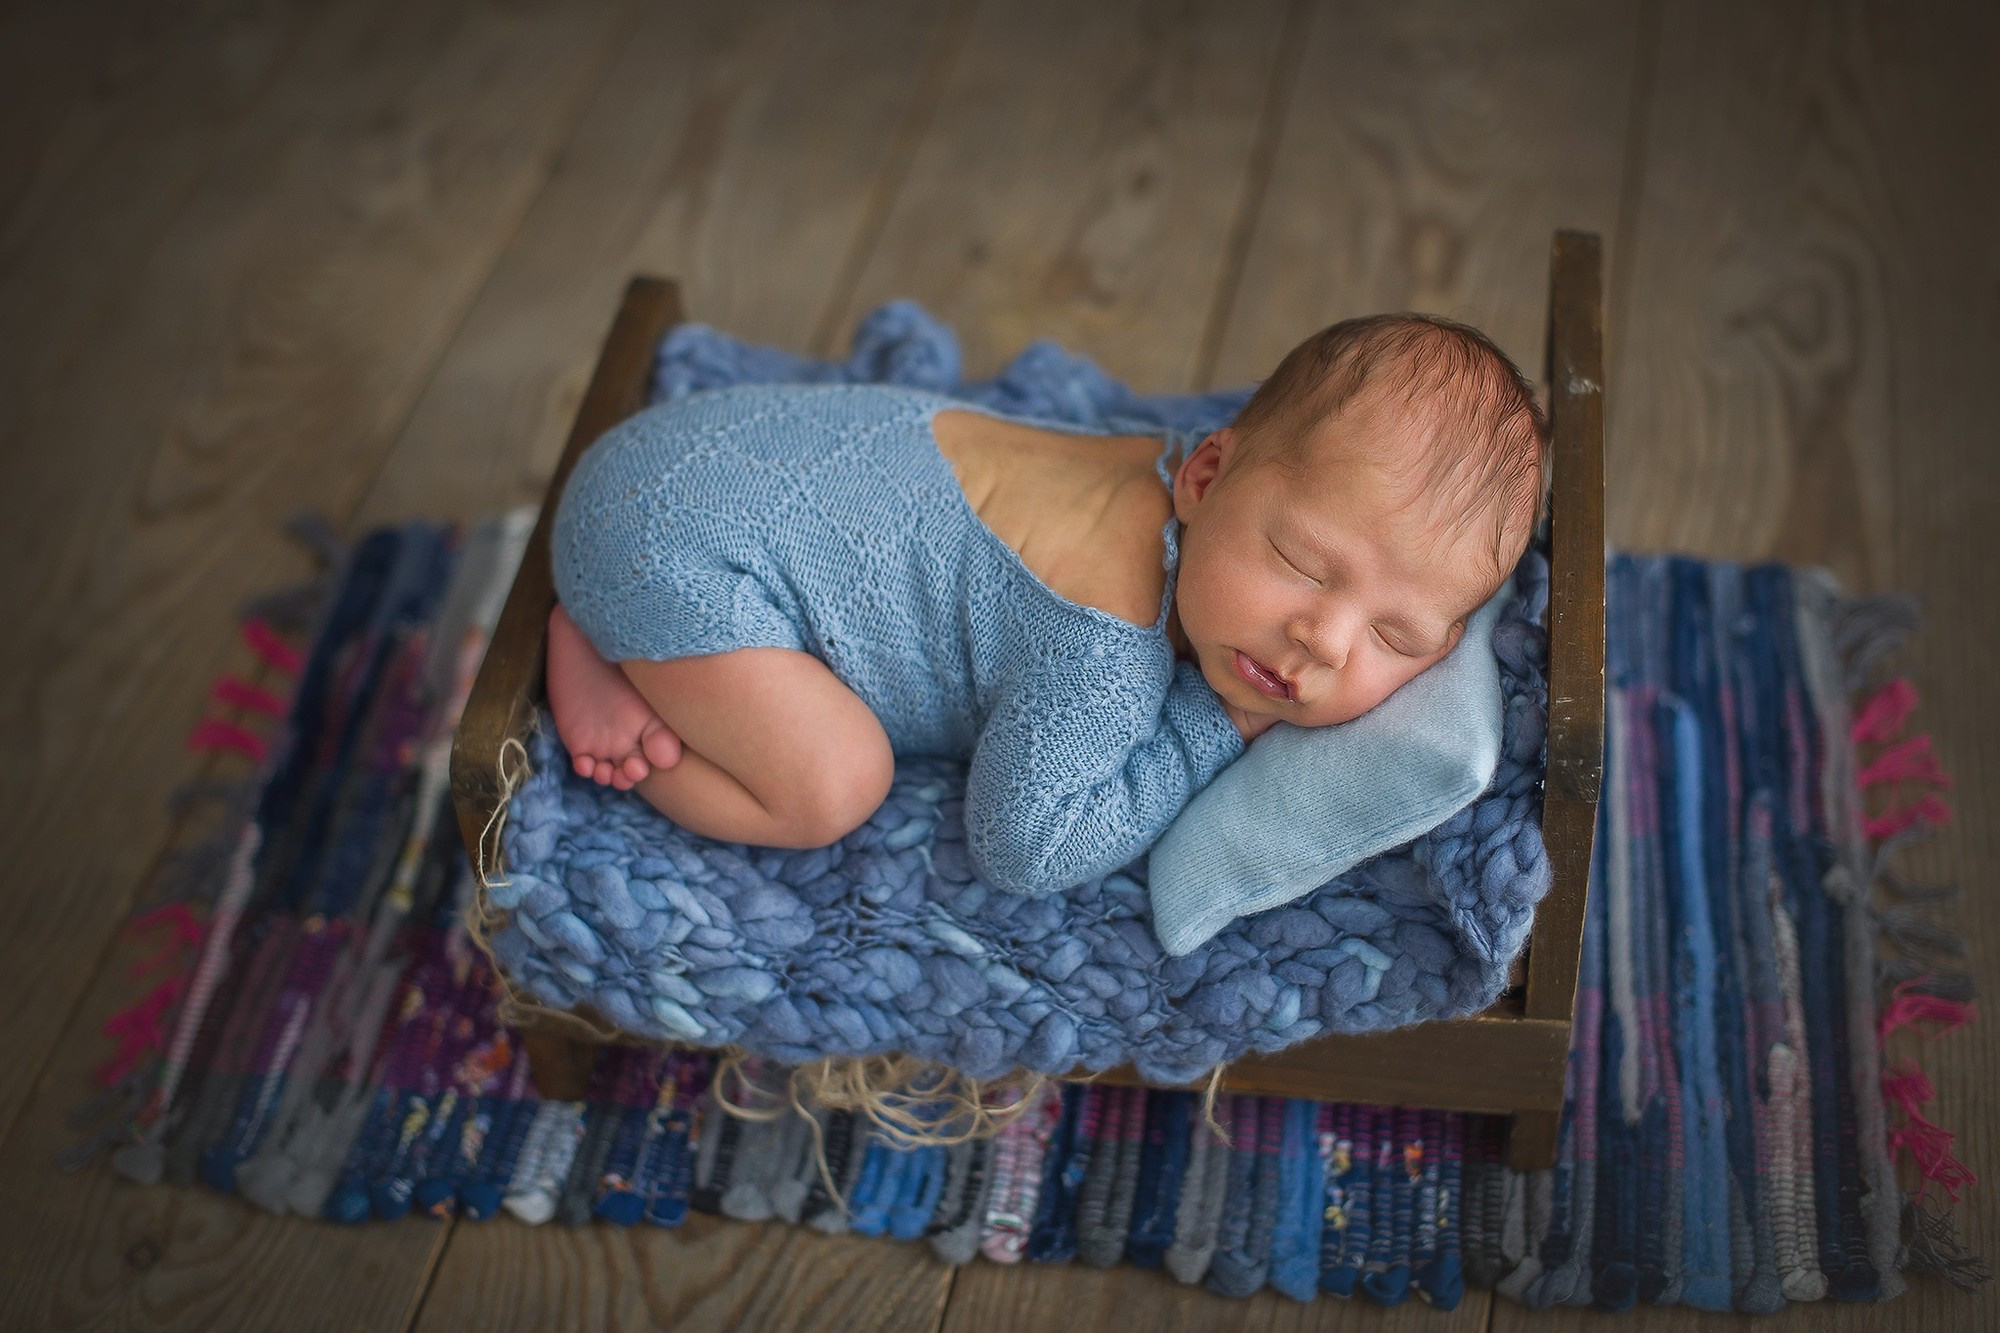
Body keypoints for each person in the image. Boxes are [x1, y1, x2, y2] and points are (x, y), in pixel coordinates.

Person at [542, 313, 1547, 894]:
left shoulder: (1162, 467)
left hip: (691, 444)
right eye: (1299, 561)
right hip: (673, 552)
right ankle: (611, 673)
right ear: (1205, 476)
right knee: (832, 785)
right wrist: (1216, 725)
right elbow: (1025, 846)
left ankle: (631, 633)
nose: (1321, 639)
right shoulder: (1102, 647)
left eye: (1393, 636)